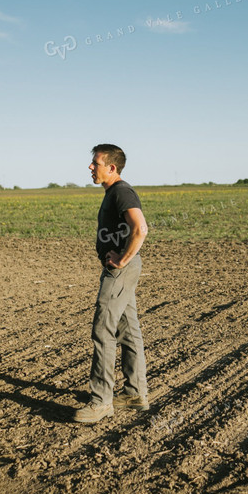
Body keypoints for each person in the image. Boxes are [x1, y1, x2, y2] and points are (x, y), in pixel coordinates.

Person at [74, 144, 149, 423]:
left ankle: (101, 401)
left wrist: (122, 260)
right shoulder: (114, 193)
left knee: (102, 331)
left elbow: (140, 229)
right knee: (128, 331)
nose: (91, 168)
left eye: (96, 163)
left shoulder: (121, 191)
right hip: (122, 270)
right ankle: (134, 393)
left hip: (119, 272)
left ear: (112, 168)